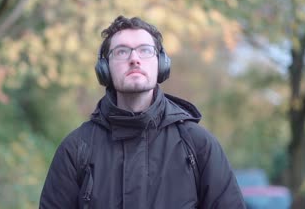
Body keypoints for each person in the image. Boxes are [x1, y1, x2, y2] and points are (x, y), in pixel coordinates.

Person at [39, 15, 246, 209]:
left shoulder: (198, 144)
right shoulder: (76, 149)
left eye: (145, 50)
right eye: (121, 51)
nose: (134, 59)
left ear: (161, 64)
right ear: (105, 69)